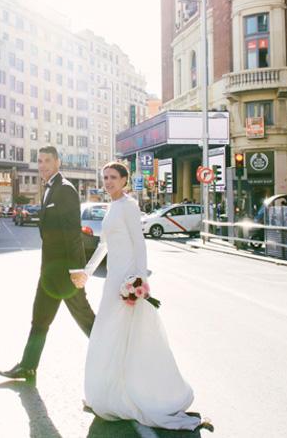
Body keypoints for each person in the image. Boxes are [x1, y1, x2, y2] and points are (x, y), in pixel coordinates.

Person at [70, 162, 212, 432]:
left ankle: (139, 394)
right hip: (113, 280)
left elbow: (139, 243)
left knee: (131, 338)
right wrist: (87, 272)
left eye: (113, 177)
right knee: (108, 336)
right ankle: (109, 394)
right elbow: (104, 245)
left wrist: (138, 282)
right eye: (105, 177)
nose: (108, 182)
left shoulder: (128, 206)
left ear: (124, 180)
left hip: (127, 280)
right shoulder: (112, 206)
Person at [0, 146, 95, 382]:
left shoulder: (65, 189)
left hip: (65, 272)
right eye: (39, 161)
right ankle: (27, 366)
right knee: (40, 318)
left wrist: (76, 270)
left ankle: (115, 356)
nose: (42, 166)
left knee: (86, 319)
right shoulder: (49, 188)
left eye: (47, 161)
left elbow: (72, 233)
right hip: (50, 270)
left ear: (57, 162)